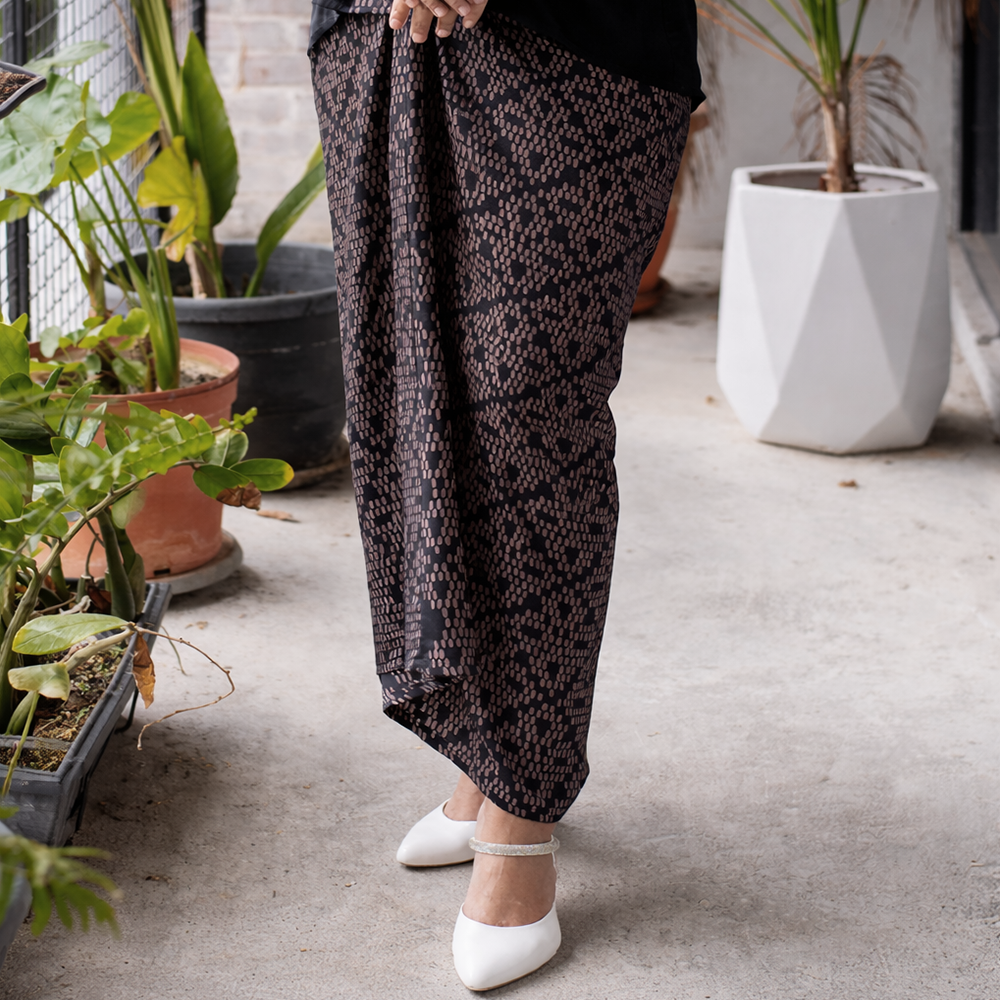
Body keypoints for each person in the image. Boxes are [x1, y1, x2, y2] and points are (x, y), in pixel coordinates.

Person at [310, 0, 702, 989]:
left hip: (576, 41)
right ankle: (486, 758)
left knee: (531, 419)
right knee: (407, 397)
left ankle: (522, 814)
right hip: (379, 32)